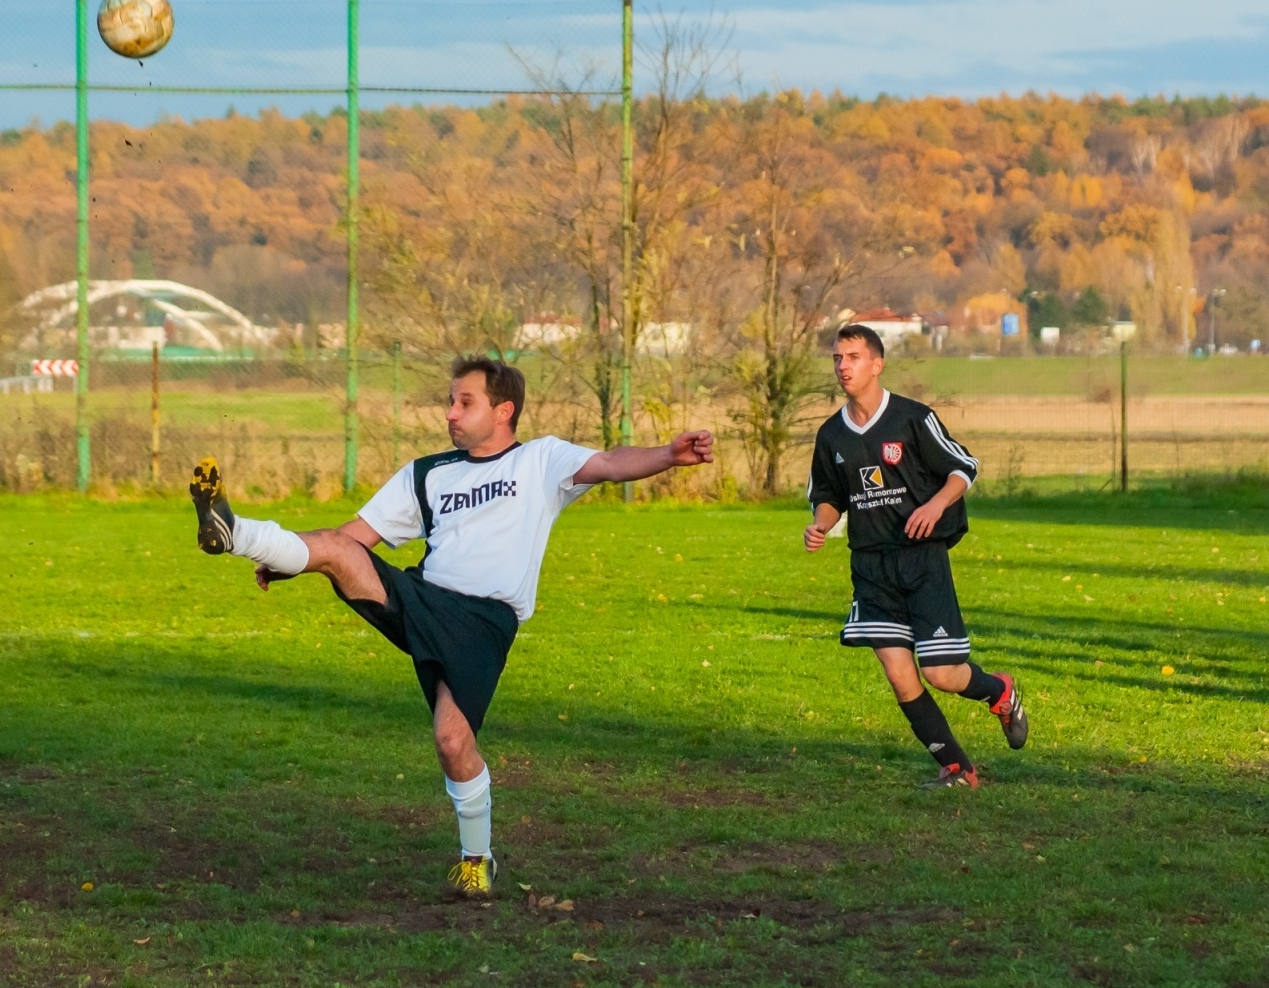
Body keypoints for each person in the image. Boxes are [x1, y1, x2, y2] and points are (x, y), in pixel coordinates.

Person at [190, 356, 713, 897]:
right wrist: (286, 559)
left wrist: (668, 456)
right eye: (450, 402)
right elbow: (355, 535)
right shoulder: (427, 472)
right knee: (339, 551)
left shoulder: (540, 460)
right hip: (422, 599)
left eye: (465, 402)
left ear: (504, 410)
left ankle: (476, 861)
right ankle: (235, 532)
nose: (451, 414)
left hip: (483, 621)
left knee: (452, 741)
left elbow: (608, 461)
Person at [804, 324, 1026, 789]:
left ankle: (1000, 690)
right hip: (870, 566)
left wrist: (935, 504)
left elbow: (964, 466)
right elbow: (827, 495)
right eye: (837, 358)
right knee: (900, 676)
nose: (842, 366)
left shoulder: (911, 418)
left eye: (852, 357)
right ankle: (956, 767)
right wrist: (822, 524)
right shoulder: (831, 435)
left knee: (942, 674)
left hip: (921, 561)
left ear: (876, 364)